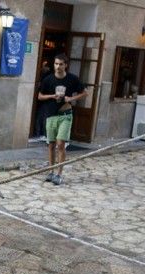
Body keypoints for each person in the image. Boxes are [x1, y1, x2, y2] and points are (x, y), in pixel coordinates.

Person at [38, 53, 87, 185]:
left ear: (66, 65)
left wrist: (71, 99)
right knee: (51, 145)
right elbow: (40, 96)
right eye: (56, 64)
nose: (58, 66)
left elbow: (85, 92)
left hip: (65, 115)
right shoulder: (48, 79)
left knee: (60, 144)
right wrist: (52, 96)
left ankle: (59, 174)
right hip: (51, 115)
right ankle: (51, 171)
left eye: (61, 64)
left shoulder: (72, 79)